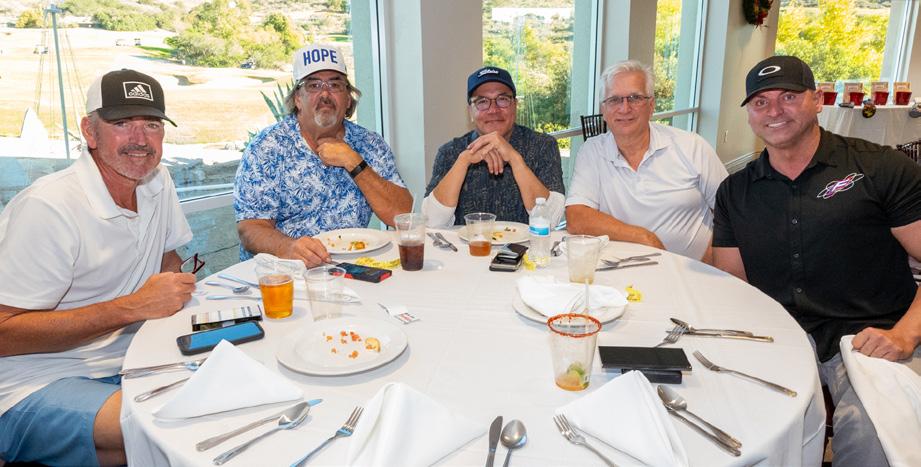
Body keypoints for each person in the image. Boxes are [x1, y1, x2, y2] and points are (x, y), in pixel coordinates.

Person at [713, 55, 921, 467]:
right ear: (750, 114)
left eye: (788, 97)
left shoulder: (879, 168)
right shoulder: (735, 192)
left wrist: (905, 334)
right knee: (726, 421)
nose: (774, 111)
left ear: (818, 100)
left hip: (870, 335)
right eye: (760, 102)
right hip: (779, 334)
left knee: (875, 439)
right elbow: (731, 285)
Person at [0, 69, 196, 466]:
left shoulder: (158, 181)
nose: (140, 139)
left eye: (152, 124)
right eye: (122, 124)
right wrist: (132, 307)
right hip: (33, 379)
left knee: (228, 398)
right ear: (90, 131)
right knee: (175, 428)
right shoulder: (48, 207)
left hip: (130, 358)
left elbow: (168, 258)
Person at [235, 43, 412, 266]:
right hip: (282, 272)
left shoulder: (369, 144)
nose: (325, 94)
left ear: (348, 99)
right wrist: (288, 247)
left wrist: (353, 162)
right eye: (314, 85)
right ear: (297, 99)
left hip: (351, 267)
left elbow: (403, 214)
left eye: (335, 85)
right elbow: (249, 228)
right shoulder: (267, 147)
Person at [565, 60, 727, 261]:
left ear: (651, 106)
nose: (625, 108)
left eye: (635, 98)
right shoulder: (592, 151)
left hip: (692, 270)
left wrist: (711, 262)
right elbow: (576, 217)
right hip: (621, 271)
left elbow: (731, 212)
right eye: (614, 100)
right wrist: (643, 237)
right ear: (604, 110)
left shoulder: (692, 147)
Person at [422, 66, 565, 227]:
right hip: (467, 243)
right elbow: (431, 222)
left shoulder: (542, 146)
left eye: (502, 99)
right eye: (482, 102)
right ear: (470, 111)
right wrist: (463, 162)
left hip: (526, 243)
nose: (493, 110)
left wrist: (515, 159)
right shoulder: (450, 152)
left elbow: (551, 220)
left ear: (515, 105)